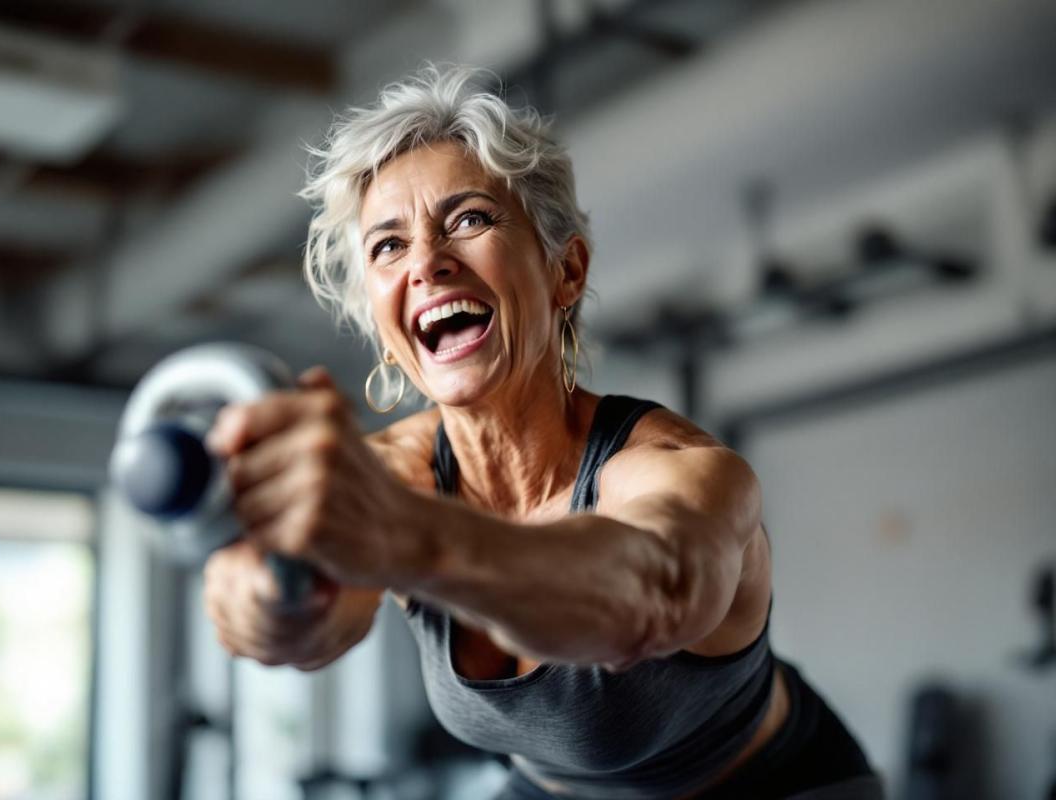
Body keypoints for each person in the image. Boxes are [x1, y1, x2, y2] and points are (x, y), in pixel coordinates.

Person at [202, 65, 882, 799]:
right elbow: (329, 620)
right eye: (387, 246)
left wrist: (410, 539)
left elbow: (648, 595)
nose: (427, 263)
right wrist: (276, 600)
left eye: (469, 219)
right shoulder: (395, 476)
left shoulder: (679, 471)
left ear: (566, 271)